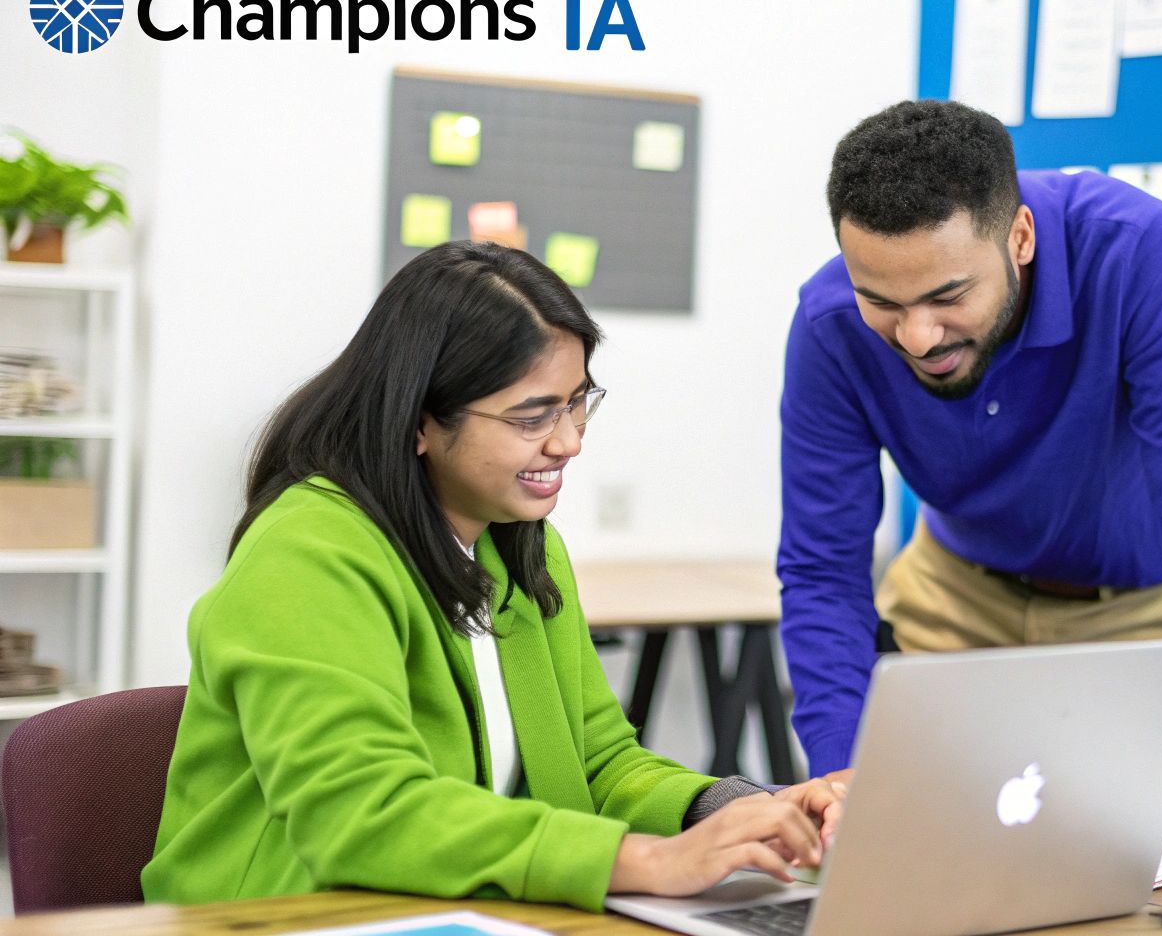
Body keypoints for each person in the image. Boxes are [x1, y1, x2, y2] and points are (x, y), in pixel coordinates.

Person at [143, 242, 843, 909]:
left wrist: (744, 810)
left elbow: (598, 764)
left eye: (577, 403)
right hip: (285, 916)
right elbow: (360, 814)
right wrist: (644, 862)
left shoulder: (521, 548)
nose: (569, 441)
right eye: (533, 415)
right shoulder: (308, 552)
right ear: (418, 422)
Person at [778, 100, 1162, 853]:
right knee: (920, 858)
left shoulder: (1135, 250)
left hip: (1129, 610)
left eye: (948, 297)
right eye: (882, 302)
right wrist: (843, 772)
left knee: (1116, 869)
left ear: (1019, 238)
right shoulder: (827, 324)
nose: (917, 337)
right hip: (953, 592)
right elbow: (822, 568)